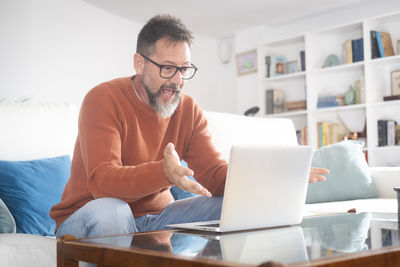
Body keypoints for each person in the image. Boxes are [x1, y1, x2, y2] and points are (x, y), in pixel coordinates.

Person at [50, 14, 328, 239]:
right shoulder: (103, 99)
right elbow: (102, 183)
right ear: (139, 64)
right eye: (168, 68)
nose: (177, 80)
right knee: (113, 211)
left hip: (156, 219)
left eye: (184, 70)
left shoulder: (188, 109)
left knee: (232, 208)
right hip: (87, 218)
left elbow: (215, 175)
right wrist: (163, 173)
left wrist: (273, 177)